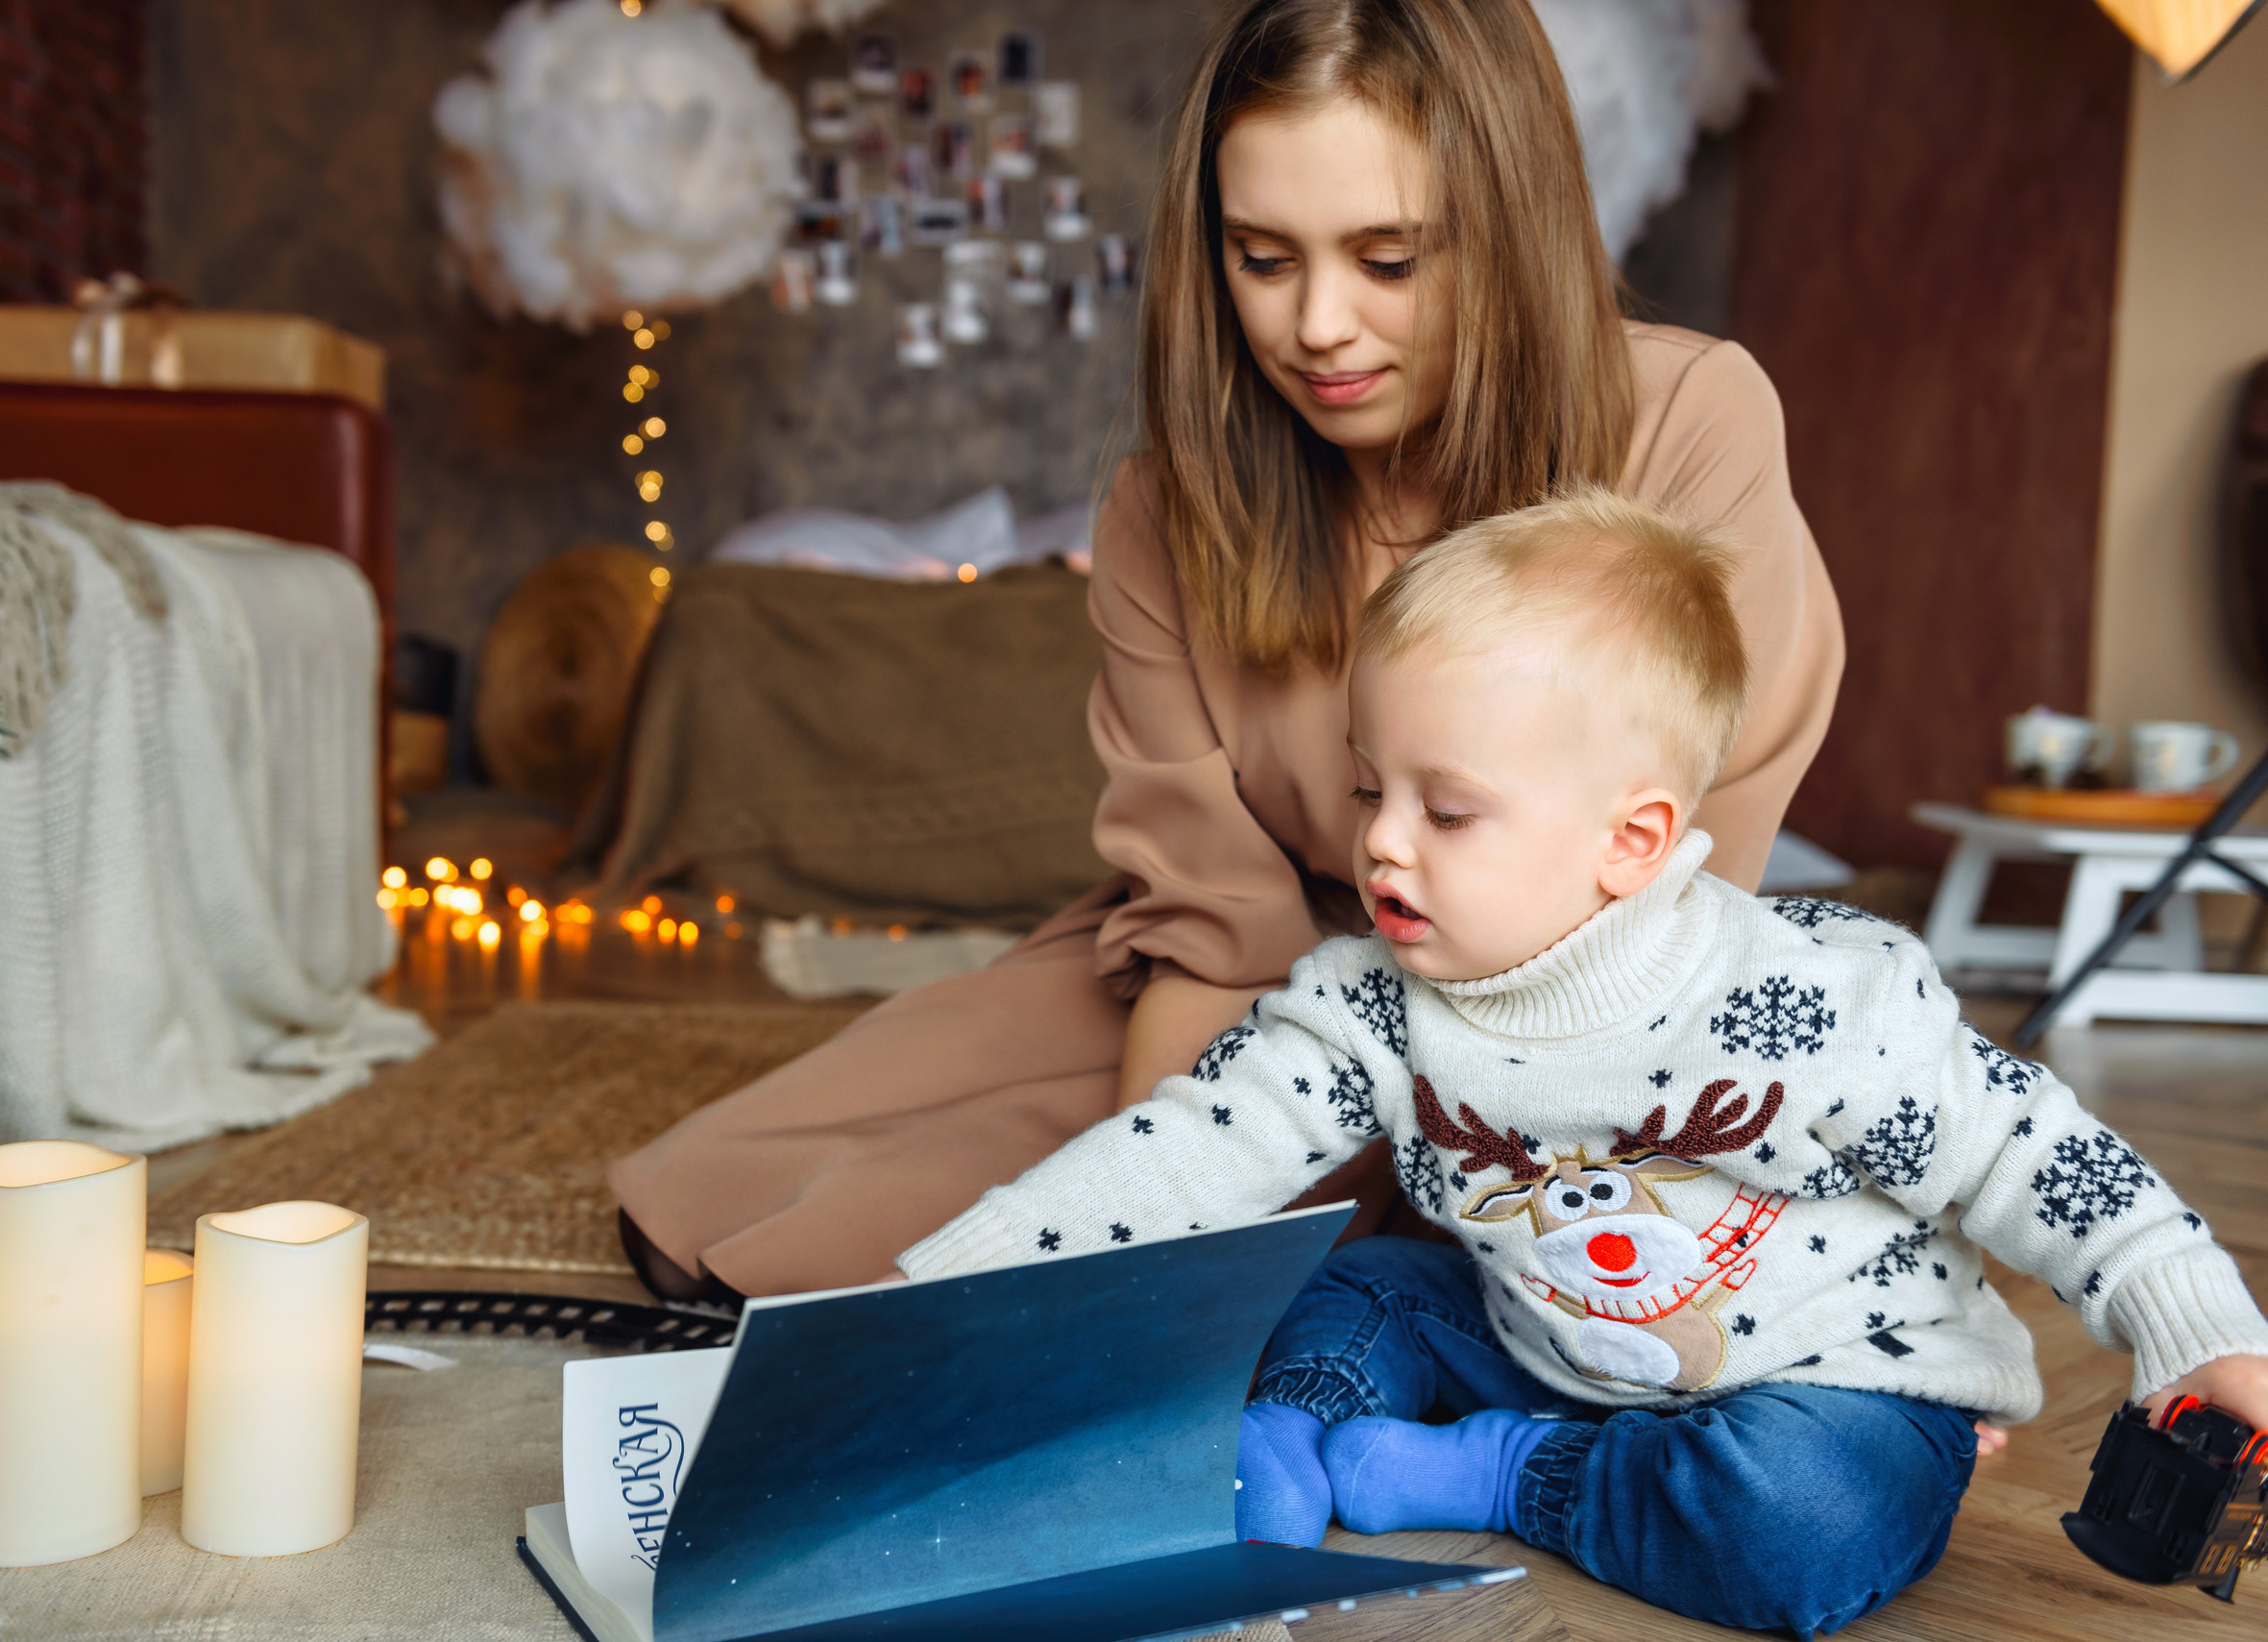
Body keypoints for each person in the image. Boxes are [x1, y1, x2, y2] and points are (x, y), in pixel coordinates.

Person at [610, 0, 1843, 1302]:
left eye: (1388, 260)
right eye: (1264, 257)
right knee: (723, 1206)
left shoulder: (1692, 424)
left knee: (1046, 1281)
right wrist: (1149, 1183)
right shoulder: (1164, 506)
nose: (1317, 327)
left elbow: (1670, 909)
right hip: (1246, 977)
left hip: (1569, 1024)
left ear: (1511, 228)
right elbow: (1215, 933)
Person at [897, 489, 2268, 1636]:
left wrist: (2201, 1330)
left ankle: (1509, 1476)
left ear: (1630, 836)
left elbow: (2034, 1148)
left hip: (1822, 1386)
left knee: (1801, 1520)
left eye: (1450, 808)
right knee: (1355, 1277)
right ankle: (1294, 1436)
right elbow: (1188, 1147)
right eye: (1373, 786)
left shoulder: (1812, 999)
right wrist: (928, 1309)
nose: (1381, 841)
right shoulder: (1378, 1002)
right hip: (1535, 1333)